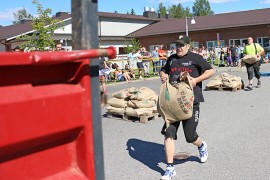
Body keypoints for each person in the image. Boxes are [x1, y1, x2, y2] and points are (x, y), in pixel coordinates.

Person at [159, 35, 215, 180]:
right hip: (173, 103)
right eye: (177, 45)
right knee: (169, 134)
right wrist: (163, 75)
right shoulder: (171, 59)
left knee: (190, 136)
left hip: (191, 102)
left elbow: (211, 70)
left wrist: (196, 80)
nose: (178, 47)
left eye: (181, 45)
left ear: (188, 46)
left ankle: (201, 145)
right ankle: (170, 168)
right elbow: (163, 70)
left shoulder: (196, 58)